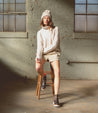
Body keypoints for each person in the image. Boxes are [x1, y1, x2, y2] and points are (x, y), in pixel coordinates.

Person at [35, 10, 61, 107]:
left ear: (50, 19)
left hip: (53, 53)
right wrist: (38, 55)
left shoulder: (56, 29)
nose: (46, 19)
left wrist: (42, 51)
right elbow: (39, 46)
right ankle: (44, 76)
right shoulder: (40, 32)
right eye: (44, 17)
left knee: (57, 72)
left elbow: (55, 45)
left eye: (48, 17)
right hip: (43, 53)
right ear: (42, 19)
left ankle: (56, 97)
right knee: (38, 68)